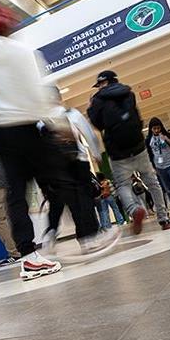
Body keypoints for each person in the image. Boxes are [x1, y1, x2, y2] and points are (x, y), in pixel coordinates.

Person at [0, 6, 119, 280]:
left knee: (16, 196)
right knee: (65, 181)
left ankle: (29, 257)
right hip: (27, 128)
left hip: (2, 134)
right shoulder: (21, 52)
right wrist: (54, 123)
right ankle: (88, 237)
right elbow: (34, 90)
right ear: (10, 25)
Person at [88, 70, 170, 233]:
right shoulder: (128, 93)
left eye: (100, 84)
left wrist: (92, 108)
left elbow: (98, 125)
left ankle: (135, 210)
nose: (99, 88)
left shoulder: (98, 100)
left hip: (117, 152)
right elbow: (138, 118)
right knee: (152, 182)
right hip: (138, 147)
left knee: (123, 185)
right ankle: (164, 219)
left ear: (104, 83)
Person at [39, 105, 109, 254]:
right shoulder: (71, 113)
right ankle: (87, 238)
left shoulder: (40, 120)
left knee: (61, 202)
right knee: (84, 200)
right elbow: (88, 134)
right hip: (78, 161)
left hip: (56, 166)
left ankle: (51, 232)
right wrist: (96, 153)